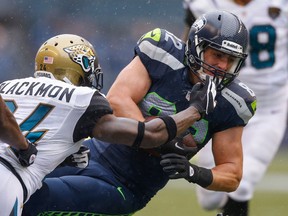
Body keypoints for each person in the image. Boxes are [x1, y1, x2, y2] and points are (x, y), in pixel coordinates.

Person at [23, 10, 256, 215]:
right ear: (197, 46)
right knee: (16, 181)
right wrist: (160, 141)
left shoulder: (233, 101)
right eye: (217, 55)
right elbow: (117, 100)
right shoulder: (162, 51)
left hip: (125, 187)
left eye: (231, 60)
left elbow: (232, 174)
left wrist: (194, 172)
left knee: (36, 198)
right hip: (91, 154)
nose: (223, 66)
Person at [0, 33, 216, 216]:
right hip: (8, 184)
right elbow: (149, 135)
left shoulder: (6, 86)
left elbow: (13, 125)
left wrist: (57, 154)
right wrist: (195, 110)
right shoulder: (81, 98)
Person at [182, 0, 288, 215]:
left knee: (243, 182)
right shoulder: (202, 4)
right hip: (219, 105)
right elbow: (188, 47)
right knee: (210, 198)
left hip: (268, 107)